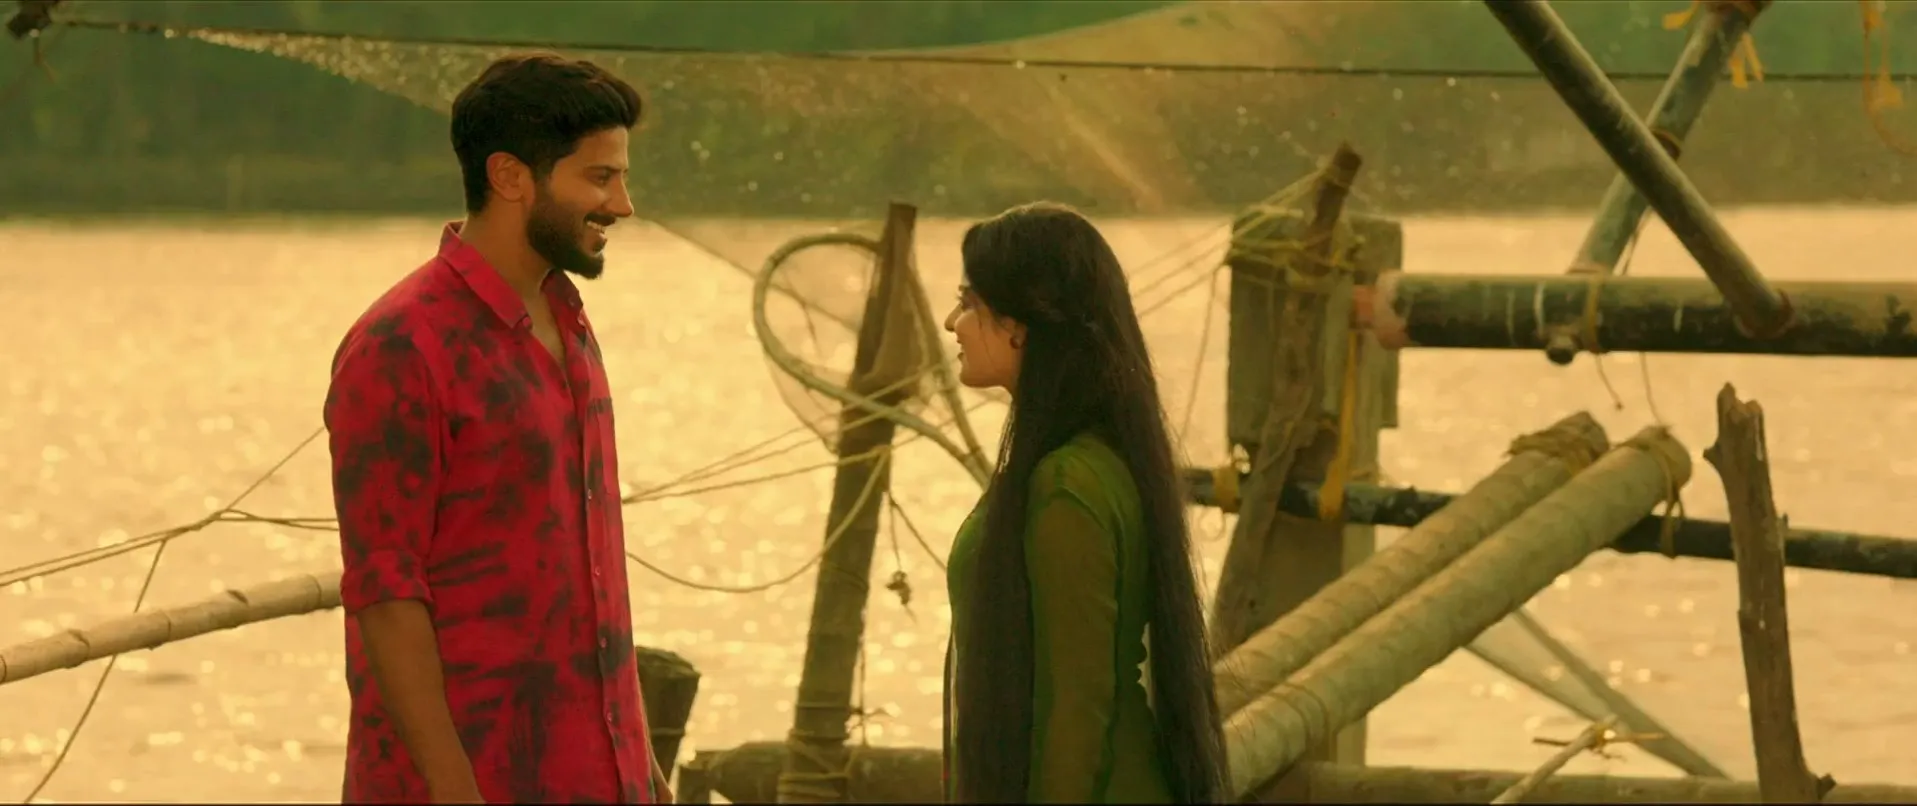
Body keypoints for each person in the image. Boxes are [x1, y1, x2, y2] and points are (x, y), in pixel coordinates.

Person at [322, 52, 669, 804]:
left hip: (598, 773)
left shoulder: (568, 320)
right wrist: (453, 788)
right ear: (511, 177)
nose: (622, 205)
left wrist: (642, 766)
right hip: (469, 778)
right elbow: (385, 592)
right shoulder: (401, 345)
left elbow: (591, 574)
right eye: (600, 178)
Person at [939, 202, 1231, 804]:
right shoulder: (1091, 460)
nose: (952, 323)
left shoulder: (1066, 482)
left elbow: (1077, 706)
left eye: (969, 303)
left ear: (1020, 325)